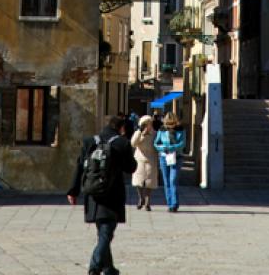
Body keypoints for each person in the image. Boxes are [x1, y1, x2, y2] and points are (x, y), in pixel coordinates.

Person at [67, 115, 137, 275]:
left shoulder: (89, 142)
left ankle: (109, 268)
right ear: (122, 128)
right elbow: (131, 168)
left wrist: (73, 190)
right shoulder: (122, 143)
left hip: (92, 194)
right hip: (112, 194)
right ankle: (95, 267)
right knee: (106, 232)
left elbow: (79, 167)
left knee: (103, 231)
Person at [154, 111, 185, 212]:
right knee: (167, 181)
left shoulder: (181, 130)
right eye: (168, 124)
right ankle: (170, 204)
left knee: (173, 180)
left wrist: (171, 147)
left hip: (177, 157)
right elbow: (156, 143)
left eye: (172, 124)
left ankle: (175, 203)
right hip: (164, 157)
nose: (169, 126)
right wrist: (162, 148)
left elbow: (182, 144)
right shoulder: (162, 130)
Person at [131, 115, 158, 211]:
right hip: (139, 159)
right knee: (138, 181)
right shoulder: (137, 133)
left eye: (149, 123)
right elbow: (133, 143)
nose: (148, 125)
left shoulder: (155, 133)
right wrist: (141, 134)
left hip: (151, 159)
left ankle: (147, 201)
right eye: (146, 124)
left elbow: (157, 145)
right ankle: (140, 198)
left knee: (149, 182)